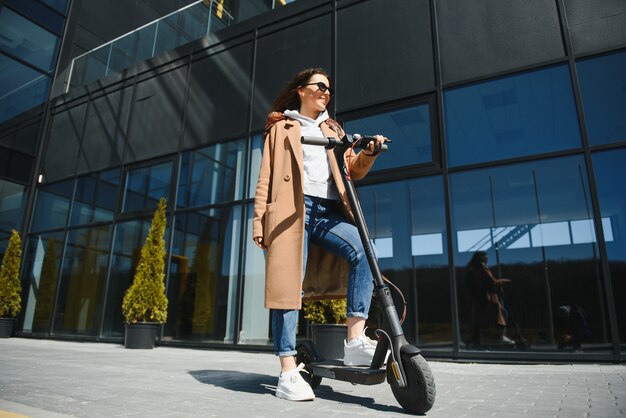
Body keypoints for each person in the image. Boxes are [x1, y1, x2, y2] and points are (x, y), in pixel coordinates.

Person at [252, 68, 387, 401]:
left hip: (327, 211)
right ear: (302, 90)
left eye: (330, 88)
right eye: (320, 86)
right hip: (292, 211)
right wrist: (259, 223)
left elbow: (349, 167)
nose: (327, 92)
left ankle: (355, 340)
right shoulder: (281, 127)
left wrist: (368, 151)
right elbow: (266, 177)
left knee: (364, 251)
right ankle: (286, 370)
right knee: (287, 289)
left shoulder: (333, 128)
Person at [464, 251, 514, 346]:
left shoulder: (472, 269)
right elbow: (491, 282)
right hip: (488, 297)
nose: (487, 258)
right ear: (480, 257)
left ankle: (474, 339)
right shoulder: (482, 268)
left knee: (481, 319)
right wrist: (504, 281)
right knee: (502, 314)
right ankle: (499, 337)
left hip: (478, 298)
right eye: (485, 256)